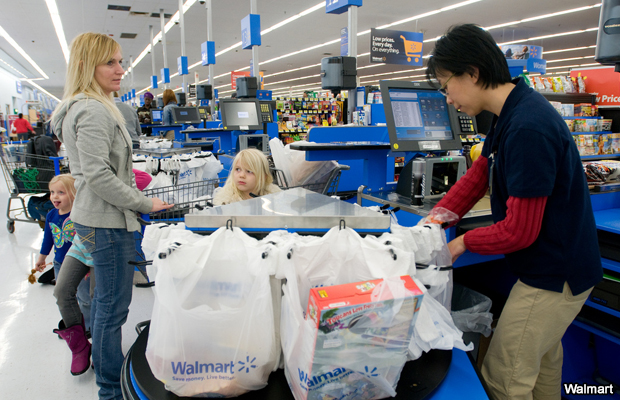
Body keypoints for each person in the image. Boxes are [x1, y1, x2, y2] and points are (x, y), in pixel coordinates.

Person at [425, 24, 602, 400]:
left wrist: (458, 245)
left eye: (446, 85)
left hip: (555, 275)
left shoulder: (528, 127)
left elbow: (519, 231)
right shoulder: (511, 112)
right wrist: (438, 217)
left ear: (472, 72)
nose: (448, 99)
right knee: (541, 367)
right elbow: (481, 173)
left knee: (505, 377)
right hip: (558, 266)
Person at [51, 32, 173, 400]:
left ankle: (107, 377)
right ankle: (109, 389)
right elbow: (97, 176)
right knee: (111, 309)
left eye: (121, 61)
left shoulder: (91, 105)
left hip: (97, 219)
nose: (121, 70)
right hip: (106, 223)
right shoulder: (91, 110)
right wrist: (143, 202)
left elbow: (97, 171)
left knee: (106, 305)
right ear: (88, 66)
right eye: (111, 63)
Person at [34, 174, 93, 376]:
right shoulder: (51, 215)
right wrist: (42, 258)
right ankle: (74, 332)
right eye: (52, 192)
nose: (54, 196)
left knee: (85, 298)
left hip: (81, 262)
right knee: (63, 296)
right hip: (60, 262)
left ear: (74, 194)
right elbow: (48, 239)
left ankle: (89, 328)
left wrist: (89, 265)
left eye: (61, 192)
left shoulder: (78, 215)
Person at [213, 148, 281, 205]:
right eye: (238, 169)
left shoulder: (275, 197)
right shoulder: (225, 202)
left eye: (249, 171)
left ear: (263, 177)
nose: (241, 175)